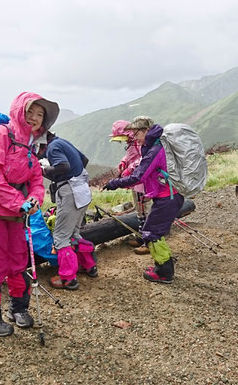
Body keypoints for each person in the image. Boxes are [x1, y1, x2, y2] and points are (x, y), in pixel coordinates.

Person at [0, 92, 57, 336]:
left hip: (16, 213)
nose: (34, 118)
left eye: (40, 115)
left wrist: (34, 200)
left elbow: (37, 181)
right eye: (30, 112)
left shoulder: (31, 147)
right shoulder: (0, 134)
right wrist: (19, 202)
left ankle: (19, 308)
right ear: (19, 111)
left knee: (19, 260)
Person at [103, 116, 184, 284]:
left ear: (145, 131)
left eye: (137, 133)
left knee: (152, 233)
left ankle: (164, 271)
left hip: (167, 196)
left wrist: (115, 183)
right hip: (169, 195)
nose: (136, 137)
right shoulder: (155, 145)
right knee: (153, 231)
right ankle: (164, 264)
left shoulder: (155, 149)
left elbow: (139, 176)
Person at [41, 131, 96, 290]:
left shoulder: (52, 147)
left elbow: (63, 166)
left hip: (70, 192)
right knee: (74, 233)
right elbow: (84, 160)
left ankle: (67, 278)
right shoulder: (62, 141)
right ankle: (89, 266)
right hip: (82, 190)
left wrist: (44, 171)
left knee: (60, 237)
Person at [109, 120, 149, 254]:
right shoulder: (132, 143)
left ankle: (148, 242)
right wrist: (123, 162)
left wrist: (129, 169)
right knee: (139, 210)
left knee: (144, 211)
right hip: (135, 182)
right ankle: (142, 237)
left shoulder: (141, 143)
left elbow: (142, 159)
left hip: (141, 182)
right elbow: (131, 155)